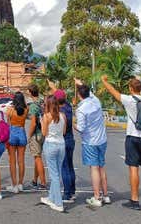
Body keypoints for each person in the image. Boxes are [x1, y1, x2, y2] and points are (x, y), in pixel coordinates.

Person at [102, 75, 141, 210]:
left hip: (133, 137)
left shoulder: (129, 100)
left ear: (130, 88)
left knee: (133, 168)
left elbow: (113, 92)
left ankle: (135, 200)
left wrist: (104, 81)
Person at [74, 80, 110, 208]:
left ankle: (96, 196)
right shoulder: (96, 101)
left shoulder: (81, 109)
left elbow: (81, 128)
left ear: (79, 95)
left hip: (90, 141)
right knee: (101, 167)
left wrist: (74, 125)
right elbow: (91, 93)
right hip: (102, 139)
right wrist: (81, 83)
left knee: (94, 168)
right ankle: (105, 195)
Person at [40, 95, 67, 213]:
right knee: (57, 173)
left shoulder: (46, 116)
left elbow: (44, 133)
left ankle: (58, 203)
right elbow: (64, 131)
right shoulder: (63, 116)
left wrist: (42, 122)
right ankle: (51, 197)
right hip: (61, 144)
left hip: (50, 144)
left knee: (54, 175)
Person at [52, 86, 76, 203]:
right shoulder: (69, 107)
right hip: (71, 139)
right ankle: (72, 191)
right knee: (70, 166)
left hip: (64, 140)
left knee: (65, 167)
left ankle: (67, 194)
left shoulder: (60, 113)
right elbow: (62, 97)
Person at [5, 92, 28, 193]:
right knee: (21, 161)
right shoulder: (26, 109)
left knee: (12, 161)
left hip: (12, 132)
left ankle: (14, 185)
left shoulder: (10, 110)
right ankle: (20, 183)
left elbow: (7, 123)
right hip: (22, 132)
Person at [27, 84, 46, 190]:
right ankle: (35, 180)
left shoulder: (33, 105)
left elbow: (33, 123)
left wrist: (29, 136)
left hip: (36, 134)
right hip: (42, 132)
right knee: (37, 156)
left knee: (38, 158)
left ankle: (43, 182)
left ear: (30, 92)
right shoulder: (42, 102)